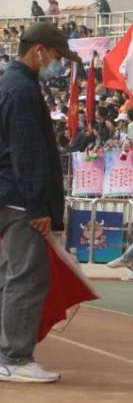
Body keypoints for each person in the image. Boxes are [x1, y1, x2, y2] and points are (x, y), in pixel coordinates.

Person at [0, 22, 78, 383]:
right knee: (27, 278)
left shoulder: (9, 84)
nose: (59, 64)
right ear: (39, 51)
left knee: (10, 277)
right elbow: (27, 152)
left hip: (9, 194)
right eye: (58, 56)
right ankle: (14, 358)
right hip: (20, 201)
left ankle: (8, 354)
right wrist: (38, 207)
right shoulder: (22, 91)